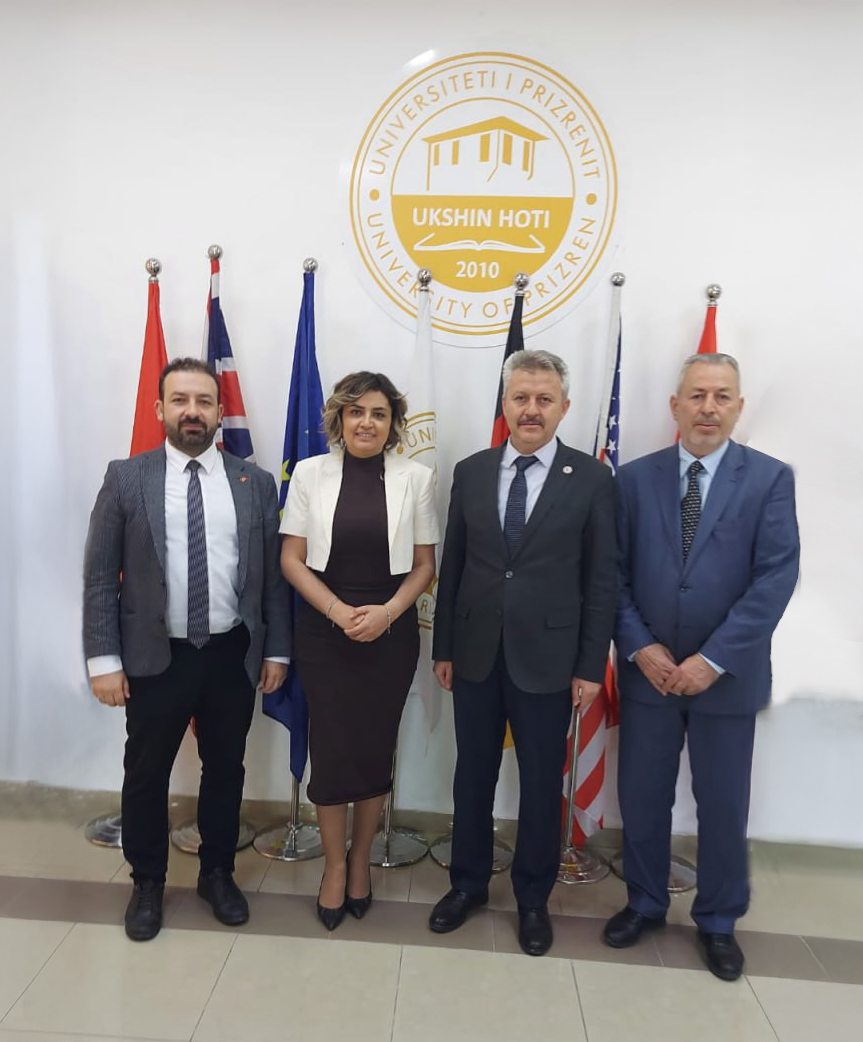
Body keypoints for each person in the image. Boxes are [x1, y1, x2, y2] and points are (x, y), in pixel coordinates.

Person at [604, 352, 799, 981]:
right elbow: (612, 575)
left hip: (726, 677)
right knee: (642, 796)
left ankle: (718, 920)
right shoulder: (634, 479)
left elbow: (775, 578)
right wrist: (641, 647)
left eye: (721, 397)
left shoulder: (769, 479)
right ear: (675, 405)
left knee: (722, 804)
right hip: (650, 674)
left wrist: (712, 659)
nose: (708, 408)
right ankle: (644, 903)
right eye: (697, 395)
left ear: (738, 407)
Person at [83, 358, 290, 942]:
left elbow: (271, 581)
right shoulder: (127, 478)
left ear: (221, 412)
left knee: (225, 768)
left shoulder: (254, 484)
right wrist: (104, 661)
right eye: (180, 400)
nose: (192, 411)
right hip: (155, 656)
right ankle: (148, 881)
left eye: (203, 401)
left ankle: (217, 874)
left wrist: (277, 652)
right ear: (161, 409)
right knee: (146, 772)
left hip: (231, 653)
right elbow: (99, 575)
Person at [429, 349, 616, 956]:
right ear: (505, 404)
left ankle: (533, 898)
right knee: (472, 776)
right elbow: (454, 564)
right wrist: (444, 646)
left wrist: (590, 665)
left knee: (539, 784)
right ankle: (467, 884)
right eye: (521, 397)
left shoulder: (592, 479)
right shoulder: (472, 471)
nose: (531, 409)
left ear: (564, 406)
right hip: (475, 654)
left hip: (551, 660)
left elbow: (601, 581)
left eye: (544, 399)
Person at [280, 371, 438, 931]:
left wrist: (386, 614)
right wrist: (337, 611)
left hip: (389, 634)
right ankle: (332, 867)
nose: (366, 423)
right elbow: (291, 558)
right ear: (339, 419)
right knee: (330, 749)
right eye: (356, 412)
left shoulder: (416, 478)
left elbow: (425, 566)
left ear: (393, 423)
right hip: (325, 633)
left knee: (373, 748)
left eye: (378, 413)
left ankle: (360, 860)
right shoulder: (309, 473)